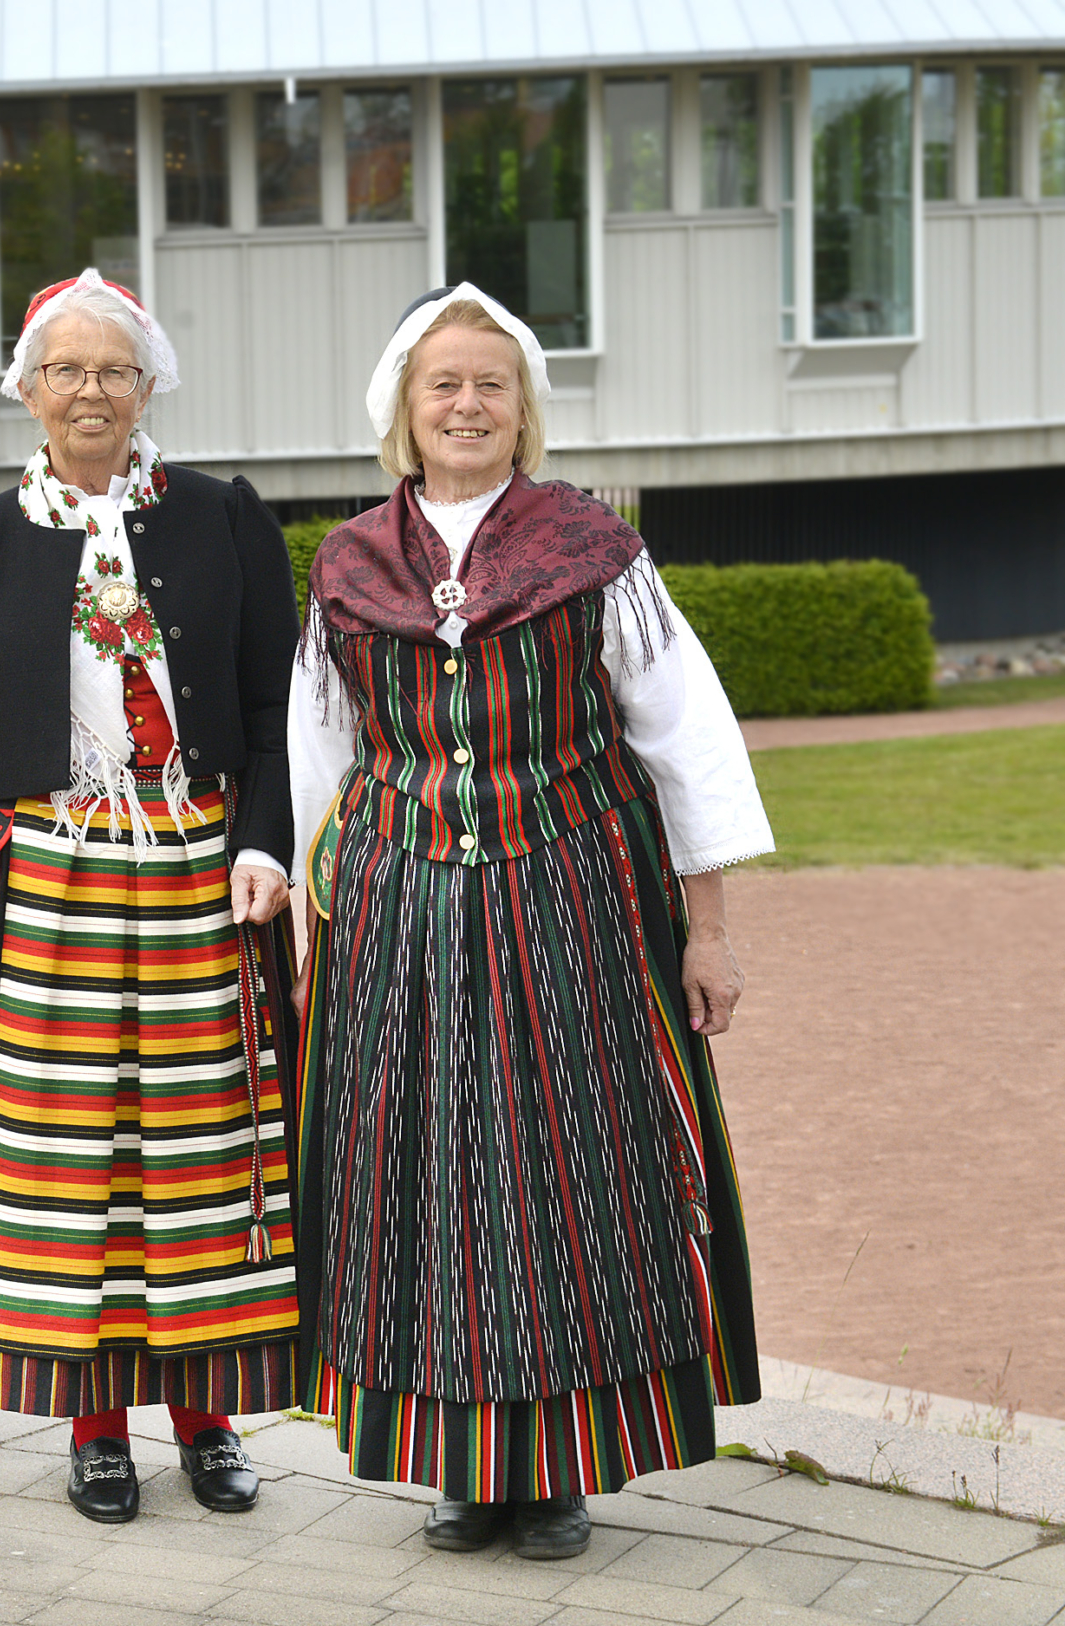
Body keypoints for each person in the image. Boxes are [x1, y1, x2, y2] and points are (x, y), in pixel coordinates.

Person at [291, 284, 772, 1560]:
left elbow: (687, 746)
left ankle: (556, 1469)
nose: (465, 404)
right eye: (442, 384)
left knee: (573, 1177)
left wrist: (706, 930)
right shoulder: (346, 566)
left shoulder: (589, 548)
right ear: (404, 406)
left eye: (489, 385)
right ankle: (456, 1466)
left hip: (575, 900)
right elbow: (319, 760)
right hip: (400, 911)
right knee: (424, 1182)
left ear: (524, 411)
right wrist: (304, 915)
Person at [0, 270, 304, 1524]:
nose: (88, 391)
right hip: (48, 880)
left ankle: (210, 1419)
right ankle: (93, 1430)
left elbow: (280, 710)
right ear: (24, 389)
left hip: (198, 872)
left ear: (147, 384)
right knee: (71, 1170)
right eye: (63, 370)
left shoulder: (224, 520)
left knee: (199, 1158)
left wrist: (268, 843)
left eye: (113, 369)